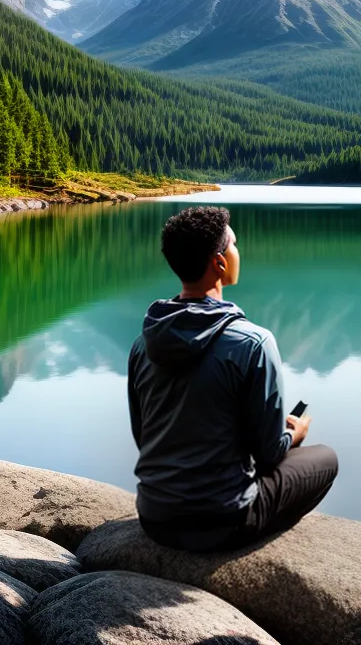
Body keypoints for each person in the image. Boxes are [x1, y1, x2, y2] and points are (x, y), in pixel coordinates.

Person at [127, 205, 338, 551]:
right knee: (326, 458)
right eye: (234, 244)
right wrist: (292, 434)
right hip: (221, 523)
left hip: (154, 517)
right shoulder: (254, 343)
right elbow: (269, 456)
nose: (238, 251)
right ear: (220, 263)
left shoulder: (142, 344)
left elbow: (143, 436)